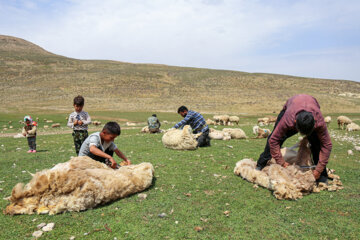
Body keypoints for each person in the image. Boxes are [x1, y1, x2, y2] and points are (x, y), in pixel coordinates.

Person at [255, 94, 332, 183]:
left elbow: (327, 145)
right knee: (274, 138)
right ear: (295, 123)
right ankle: (261, 164)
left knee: (316, 144)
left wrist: (319, 169)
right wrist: (281, 162)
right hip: (290, 109)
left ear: (314, 123)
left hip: (310, 110)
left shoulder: (319, 122)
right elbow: (274, 140)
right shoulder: (288, 119)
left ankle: (321, 174)